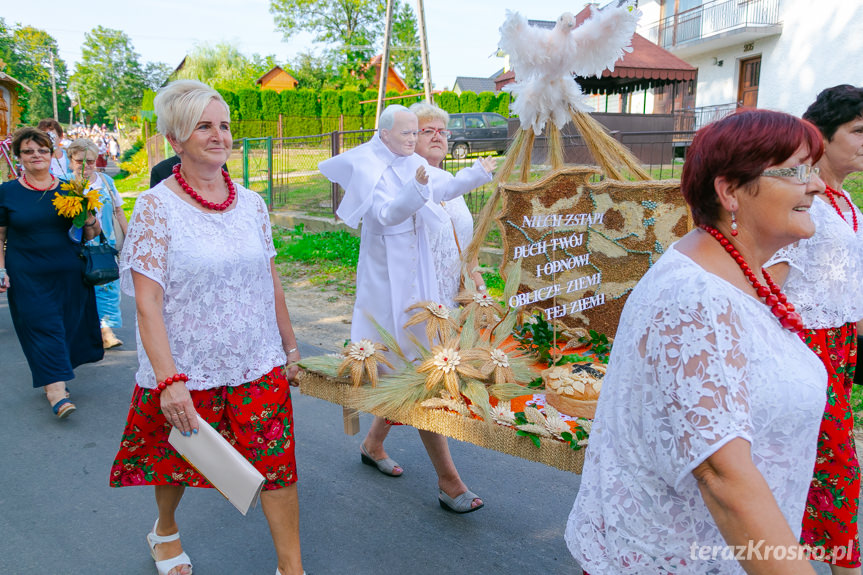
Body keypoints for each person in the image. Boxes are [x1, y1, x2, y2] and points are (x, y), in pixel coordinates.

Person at [566, 110, 828, 574]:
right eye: (796, 170)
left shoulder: (740, 276)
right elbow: (723, 477)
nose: (817, 186)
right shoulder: (696, 297)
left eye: (814, 169)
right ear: (729, 190)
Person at [108, 80, 305, 575]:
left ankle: (291, 568)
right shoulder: (156, 207)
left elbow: (270, 279)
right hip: (186, 369)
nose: (220, 136)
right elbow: (147, 304)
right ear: (175, 139)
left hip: (255, 361)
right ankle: (166, 530)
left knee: (277, 468)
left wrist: (290, 349)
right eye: (204, 126)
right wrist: (170, 382)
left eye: (224, 125)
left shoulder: (254, 203)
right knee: (178, 460)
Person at [318, 104, 486, 513]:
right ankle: (450, 481)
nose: (428, 138)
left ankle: (373, 442)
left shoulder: (433, 175)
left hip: (441, 292)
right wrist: (416, 190)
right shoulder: (376, 170)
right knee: (419, 375)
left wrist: (477, 175)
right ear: (390, 135)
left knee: (409, 374)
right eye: (419, 131)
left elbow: (458, 222)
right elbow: (387, 214)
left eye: (438, 132)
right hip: (401, 289)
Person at [764, 84, 863, 574]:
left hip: (843, 348)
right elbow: (768, 277)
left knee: (806, 468)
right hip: (807, 348)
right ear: (823, 136)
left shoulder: (845, 204)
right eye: (859, 131)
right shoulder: (803, 201)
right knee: (837, 469)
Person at [0, 127, 103, 418]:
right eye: (28, 151)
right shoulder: (6, 193)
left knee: (67, 325)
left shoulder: (71, 189)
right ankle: (56, 392)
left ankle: (53, 374)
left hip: (69, 272)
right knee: (43, 325)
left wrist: (89, 215)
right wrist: (0, 270)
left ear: (52, 154)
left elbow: (92, 233)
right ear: (19, 157)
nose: (36, 156)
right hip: (26, 274)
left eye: (42, 150)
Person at [409, 102, 495, 305]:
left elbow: (467, 246)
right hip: (420, 300)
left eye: (442, 131)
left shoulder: (453, 184)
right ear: (411, 138)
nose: (437, 136)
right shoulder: (406, 184)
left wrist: (480, 288)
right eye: (428, 130)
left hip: (455, 299)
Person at [67, 138, 128, 349]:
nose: (86, 166)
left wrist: (128, 238)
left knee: (107, 286)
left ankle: (106, 331)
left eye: (91, 161)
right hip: (74, 246)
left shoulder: (106, 182)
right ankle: (84, 330)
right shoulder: (64, 183)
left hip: (104, 243)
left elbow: (118, 210)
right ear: (70, 161)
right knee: (78, 289)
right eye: (80, 161)